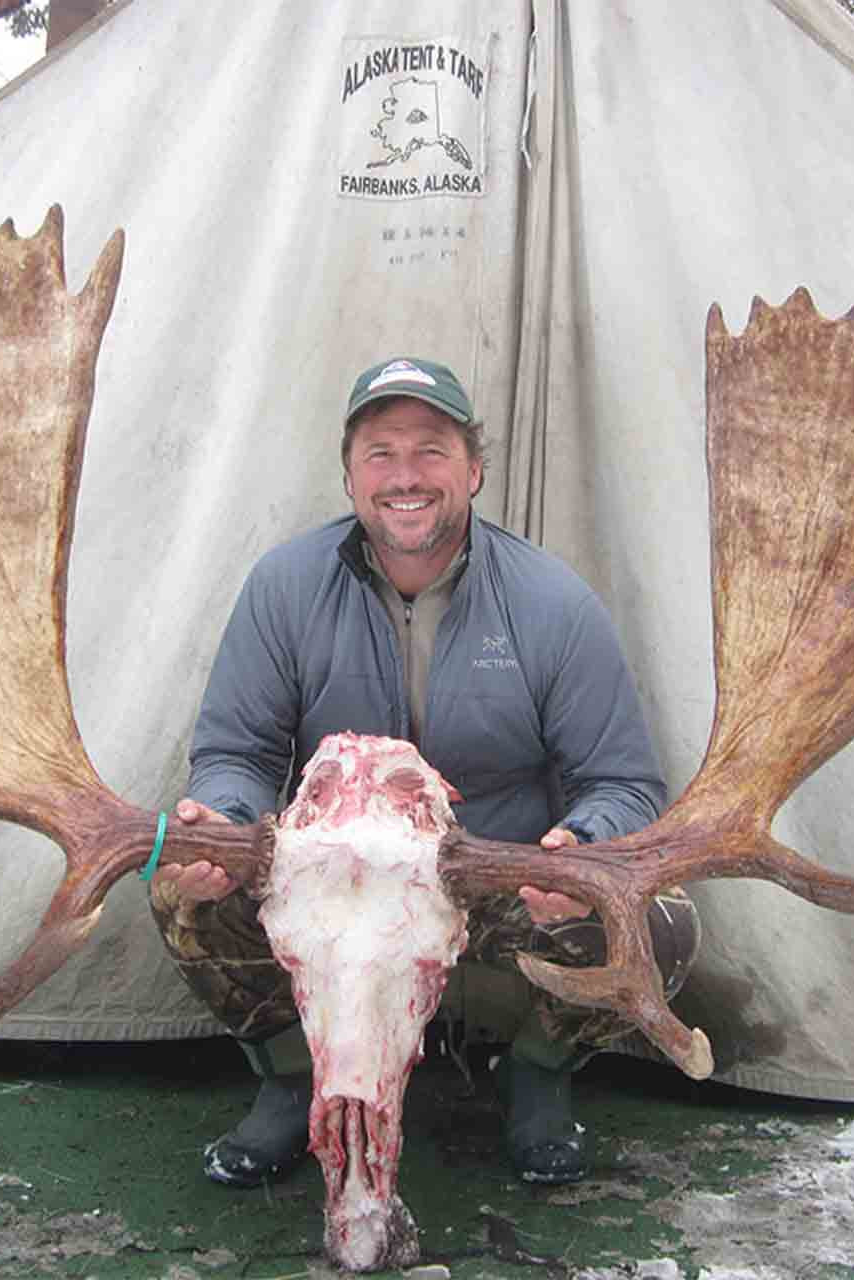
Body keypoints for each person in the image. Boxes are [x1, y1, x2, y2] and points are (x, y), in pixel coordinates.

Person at [149, 357, 700, 1188]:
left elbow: (624, 782)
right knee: (177, 889)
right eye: (381, 452)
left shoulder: (554, 602)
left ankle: (539, 1074)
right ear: (349, 476)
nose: (406, 476)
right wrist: (223, 823)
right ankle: (293, 1078)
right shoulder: (281, 588)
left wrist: (578, 847)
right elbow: (238, 754)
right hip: (330, 880)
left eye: (432, 450)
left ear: (474, 470)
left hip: (494, 877)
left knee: (657, 917)